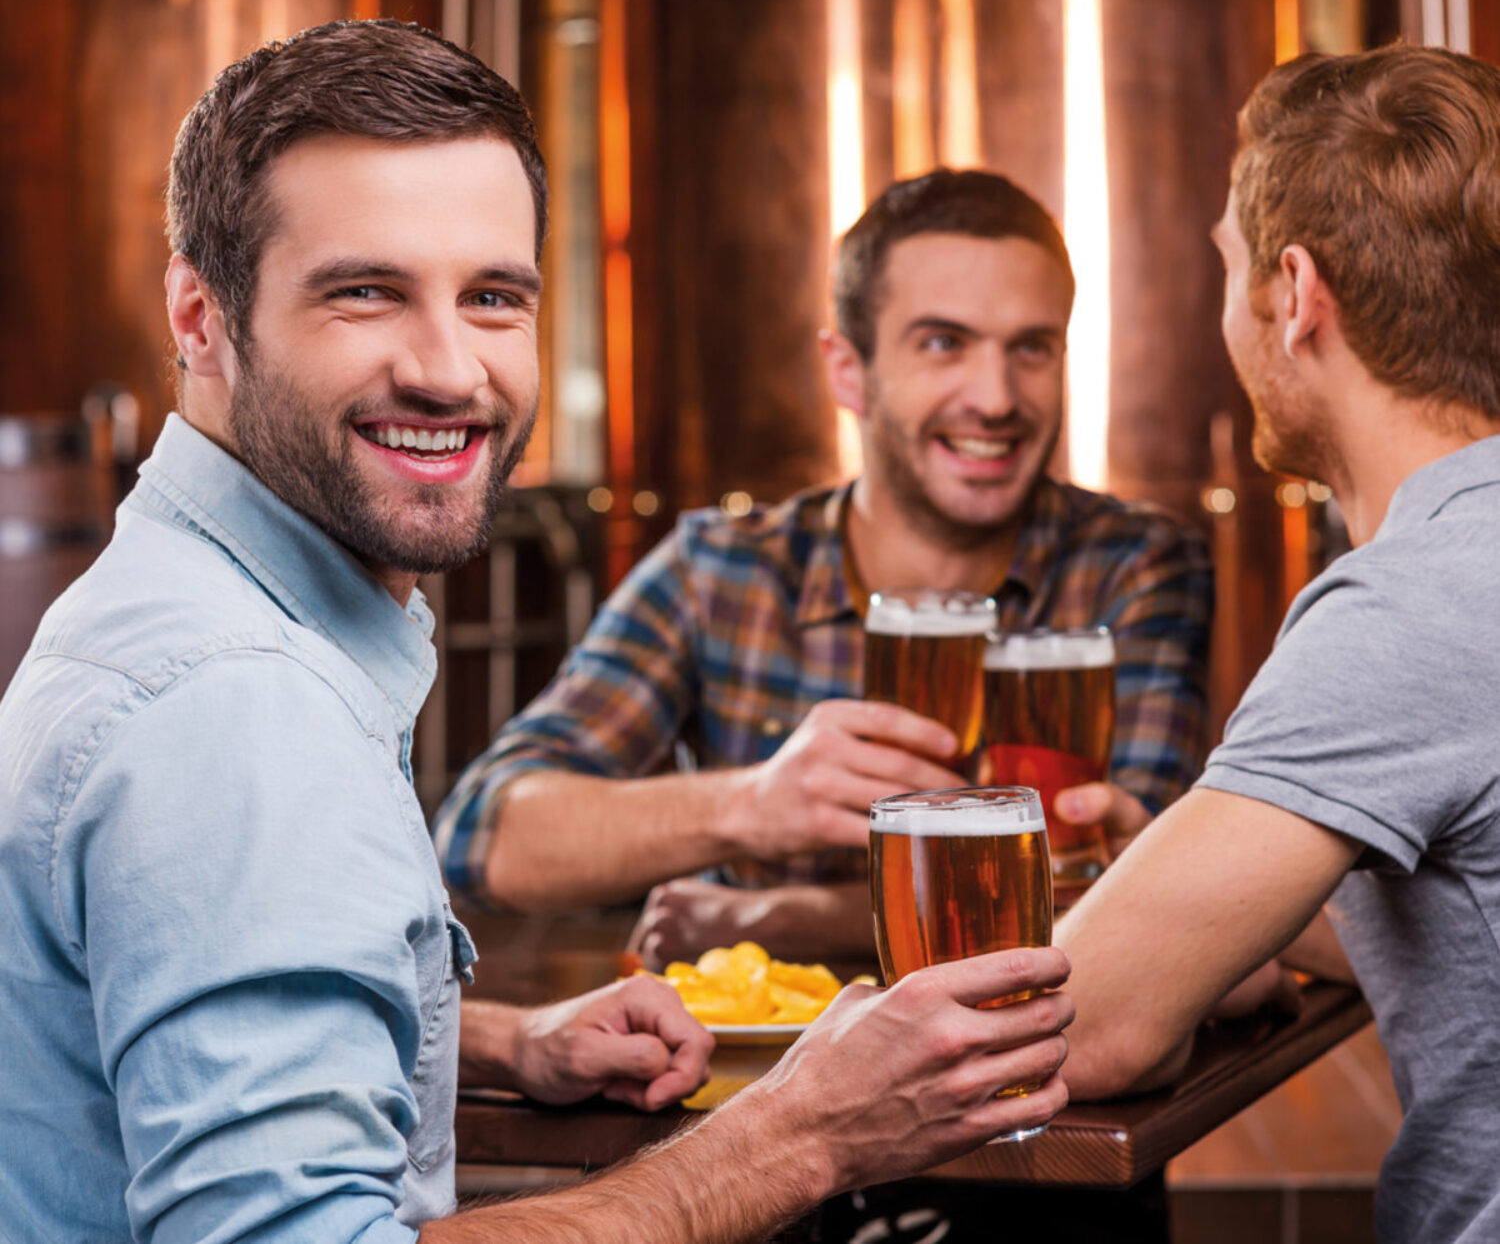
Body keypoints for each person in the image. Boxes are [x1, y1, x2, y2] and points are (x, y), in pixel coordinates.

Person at [0, 20, 1076, 1244]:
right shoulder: (242, 710)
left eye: (493, 296)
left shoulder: (165, 603)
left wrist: (494, 1039)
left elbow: (155, 1022)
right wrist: (802, 1131)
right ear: (200, 315)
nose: (452, 371)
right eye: (366, 291)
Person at [435, 168, 1214, 969]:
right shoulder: (727, 568)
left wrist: (779, 918)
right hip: (754, 1079)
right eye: (943, 343)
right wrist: (749, 805)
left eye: (1032, 348)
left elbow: (1140, 897)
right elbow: (483, 839)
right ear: (847, 369)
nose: (995, 396)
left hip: (1038, 1067)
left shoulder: (1136, 565)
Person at [1054, 44, 1500, 1243]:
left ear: (1296, 293)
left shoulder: (1416, 603)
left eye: (1229, 268)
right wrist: (1192, 885)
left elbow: (1089, 1022)